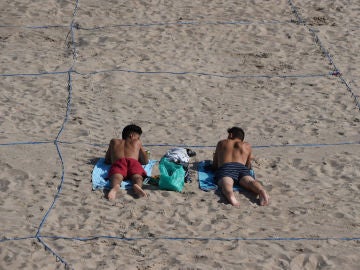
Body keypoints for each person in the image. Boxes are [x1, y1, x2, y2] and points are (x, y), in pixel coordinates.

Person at [213, 127, 269, 207]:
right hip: (241, 168)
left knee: (227, 183)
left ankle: (231, 196)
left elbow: (215, 164)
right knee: (250, 182)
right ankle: (261, 191)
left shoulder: (222, 143)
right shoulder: (247, 145)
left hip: (226, 167)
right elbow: (248, 165)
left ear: (230, 134)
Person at [105, 124, 149, 200]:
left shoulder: (114, 141)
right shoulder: (137, 142)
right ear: (132, 136)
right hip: (133, 162)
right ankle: (137, 185)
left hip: (119, 162)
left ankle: (115, 186)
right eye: (138, 137)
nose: (138, 139)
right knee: (138, 176)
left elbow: (107, 160)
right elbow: (145, 161)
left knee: (116, 176)